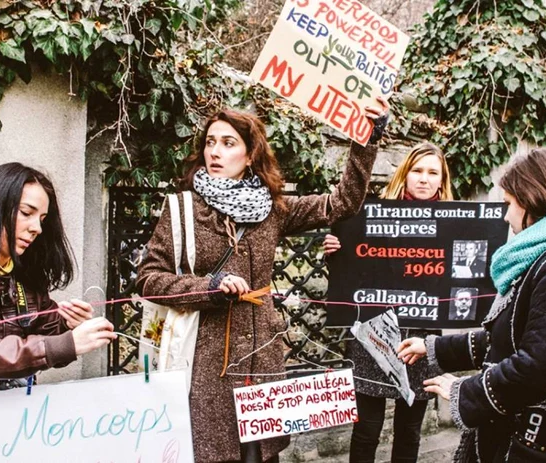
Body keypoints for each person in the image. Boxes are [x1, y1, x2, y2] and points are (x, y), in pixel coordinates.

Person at [136, 101, 389, 463]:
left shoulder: (272, 209)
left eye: (228, 143)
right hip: (206, 370)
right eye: (210, 142)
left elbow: (342, 203)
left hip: (263, 365)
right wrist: (209, 286)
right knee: (212, 454)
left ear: (250, 155)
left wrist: (367, 136)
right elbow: (148, 279)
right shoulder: (182, 209)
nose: (215, 152)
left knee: (263, 457)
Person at [398, 148, 546, 462]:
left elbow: (538, 367)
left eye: (508, 204)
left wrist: (466, 390)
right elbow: (510, 339)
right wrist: (433, 347)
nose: (505, 216)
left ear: (533, 200)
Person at [0, 163, 116, 462]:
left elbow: (43, 326)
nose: (37, 228)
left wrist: (67, 324)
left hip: (0, 426)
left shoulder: (23, 276)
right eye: (26, 213)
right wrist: (64, 344)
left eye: (42, 219)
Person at [323, 142, 454, 463]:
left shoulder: (456, 224)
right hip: (374, 332)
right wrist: (337, 254)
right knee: (367, 428)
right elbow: (355, 275)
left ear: (442, 180)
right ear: (405, 175)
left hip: (422, 339)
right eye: (417, 170)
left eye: (432, 172)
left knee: (409, 430)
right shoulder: (372, 218)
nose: (424, 179)